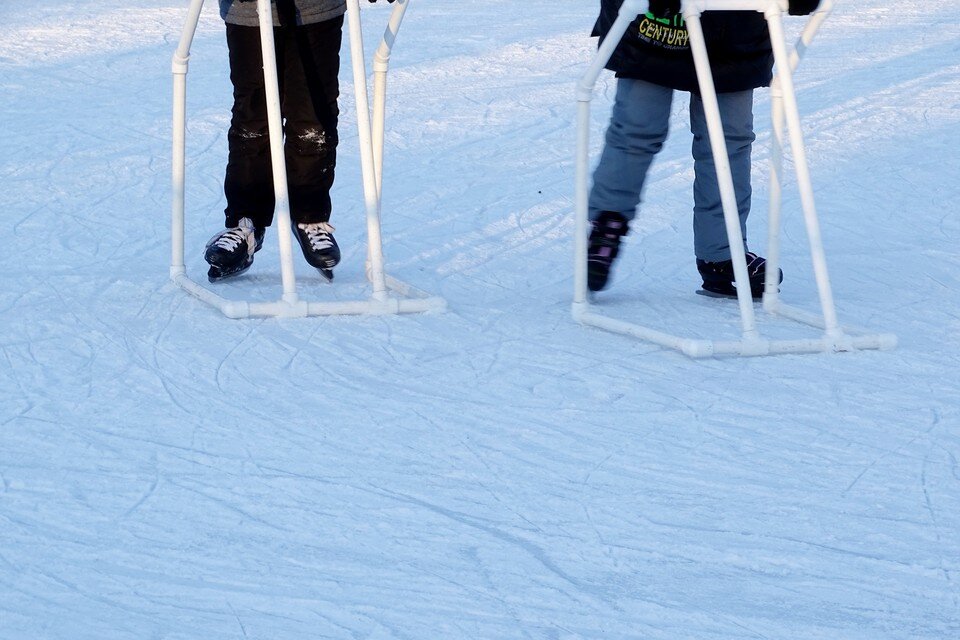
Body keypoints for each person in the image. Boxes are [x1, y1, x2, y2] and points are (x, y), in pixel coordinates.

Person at [587, 0, 820, 296]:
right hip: (656, 27)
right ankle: (607, 226)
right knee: (638, 127)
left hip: (734, 33)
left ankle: (722, 254)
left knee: (727, 141)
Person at [205, 0, 394, 283]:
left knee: (313, 119)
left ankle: (310, 216)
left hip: (317, 9)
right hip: (250, 11)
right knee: (253, 121)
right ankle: (245, 223)